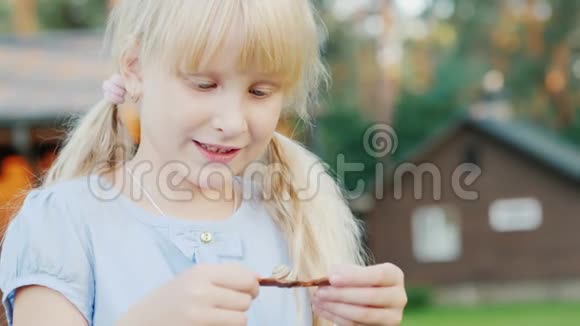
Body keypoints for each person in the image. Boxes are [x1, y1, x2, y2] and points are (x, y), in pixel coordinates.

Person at [0, 1, 407, 325]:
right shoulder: (61, 224)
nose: (231, 121)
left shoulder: (297, 221)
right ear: (134, 68)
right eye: (204, 85)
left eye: (260, 92)